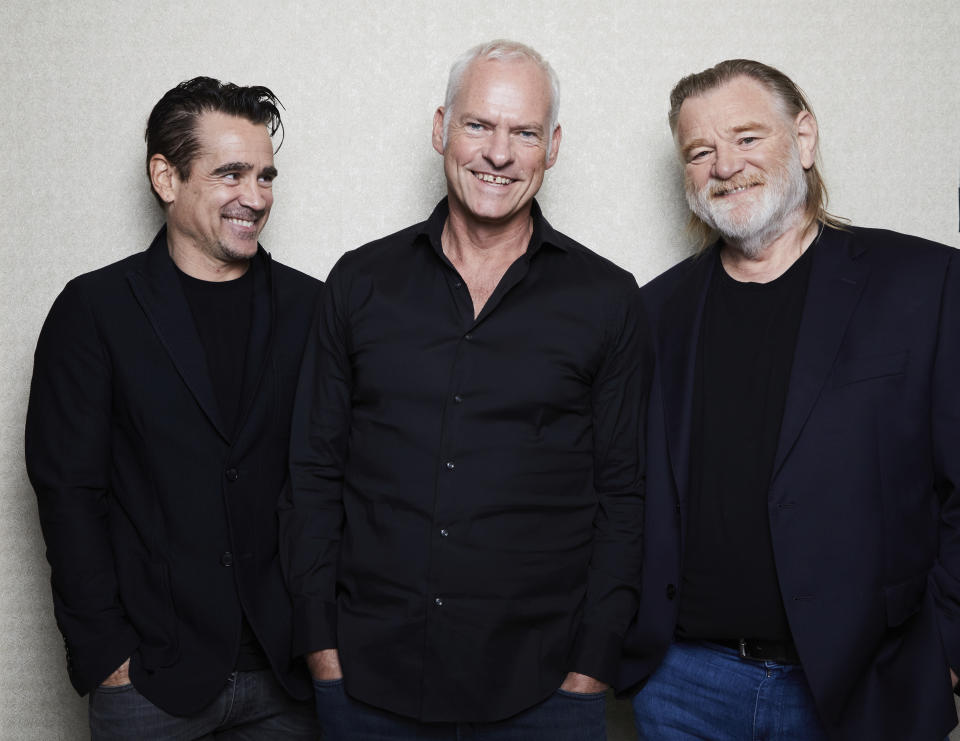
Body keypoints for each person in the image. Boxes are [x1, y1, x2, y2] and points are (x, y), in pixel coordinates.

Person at [280, 39, 649, 739]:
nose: (499, 153)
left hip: (544, 693)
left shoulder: (608, 299)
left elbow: (623, 496)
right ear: (440, 128)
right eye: (479, 125)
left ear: (554, 146)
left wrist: (590, 670)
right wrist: (320, 651)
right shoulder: (359, 283)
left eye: (524, 132)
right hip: (365, 683)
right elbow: (312, 474)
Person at [620, 58, 960, 741]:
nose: (725, 165)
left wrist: (947, 651)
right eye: (700, 151)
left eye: (748, 137)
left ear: (803, 139)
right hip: (683, 686)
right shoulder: (651, 312)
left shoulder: (927, 283)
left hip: (865, 682)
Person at [25, 77, 321, 739]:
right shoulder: (94, 311)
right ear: (166, 176)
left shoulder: (315, 310)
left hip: (286, 679)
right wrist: (107, 656)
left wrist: (326, 644)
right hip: (150, 684)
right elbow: (69, 491)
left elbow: (336, 483)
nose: (256, 196)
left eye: (266, 176)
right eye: (231, 173)